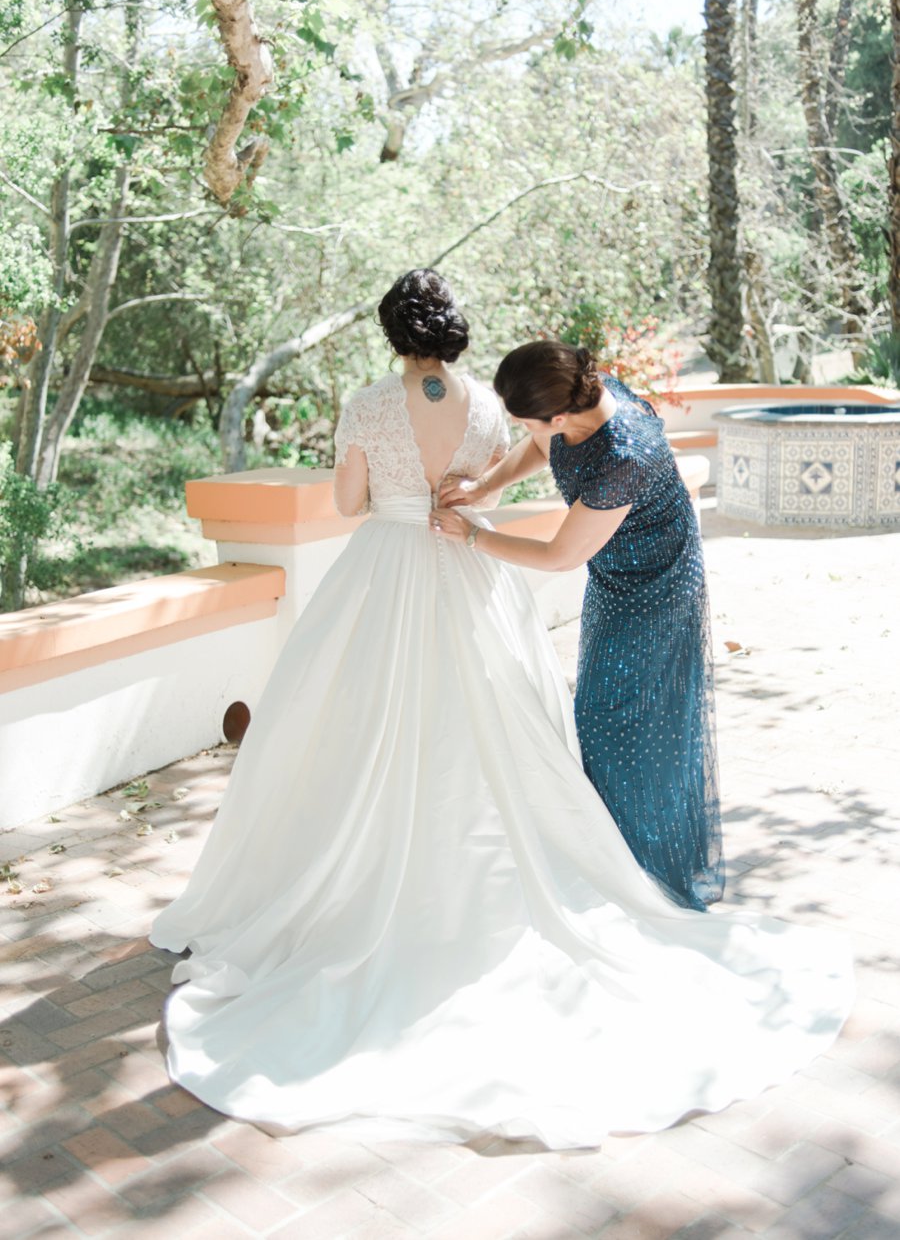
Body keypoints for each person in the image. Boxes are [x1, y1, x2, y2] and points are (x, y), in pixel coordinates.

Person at [150, 271, 852, 1148]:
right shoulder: (496, 400)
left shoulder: (378, 406)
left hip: (421, 570)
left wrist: (453, 515)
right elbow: (516, 458)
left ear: (391, 334)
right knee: (504, 724)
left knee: (365, 728)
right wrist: (475, 493)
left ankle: (621, 855)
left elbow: (351, 504)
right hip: (475, 581)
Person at [435, 341, 721, 911]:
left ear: (560, 415)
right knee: (607, 713)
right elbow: (540, 448)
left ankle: (645, 867)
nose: (521, 428)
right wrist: (488, 486)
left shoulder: (621, 456)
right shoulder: (576, 393)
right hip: (616, 572)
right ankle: (611, 854)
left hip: (656, 585)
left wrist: (472, 535)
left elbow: (559, 556)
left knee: (617, 718)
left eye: (524, 419)